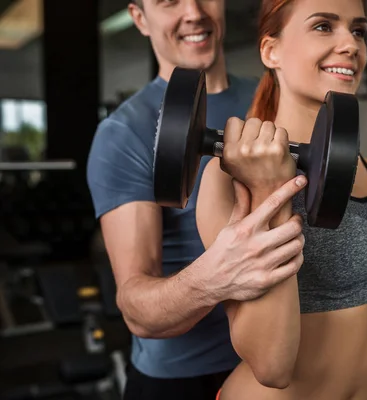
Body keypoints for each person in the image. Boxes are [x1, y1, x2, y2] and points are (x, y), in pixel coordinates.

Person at [195, 0, 367, 398]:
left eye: (358, 31)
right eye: (323, 27)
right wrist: (271, 191)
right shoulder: (227, 179)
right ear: (271, 51)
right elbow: (271, 364)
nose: (350, 44)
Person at [86, 1, 306, 399]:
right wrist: (215, 279)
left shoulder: (275, 96)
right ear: (139, 18)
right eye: (169, 0)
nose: (194, 11)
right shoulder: (124, 133)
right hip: (183, 381)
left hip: (292, 367)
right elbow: (136, 309)